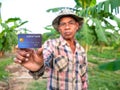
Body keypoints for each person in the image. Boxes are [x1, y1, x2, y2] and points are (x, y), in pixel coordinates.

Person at [14, 8, 88, 90]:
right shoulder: (51, 44)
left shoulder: (81, 50)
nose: (67, 27)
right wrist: (39, 66)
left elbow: (84, 77)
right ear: (59, 28)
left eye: (71, 23)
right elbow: (45, 56)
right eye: (63, 24)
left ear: (77, 26)